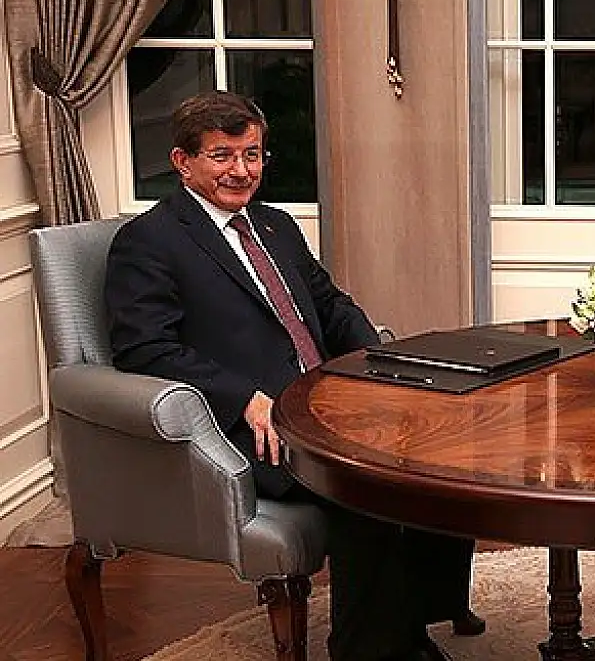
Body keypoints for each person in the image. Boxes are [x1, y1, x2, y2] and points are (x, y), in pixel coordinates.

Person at [104, 91, 483, 661]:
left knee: (444, 449)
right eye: (222, 155)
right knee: (371, 486)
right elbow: (144, 350)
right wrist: (244, 398)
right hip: (252, 427)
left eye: (252, 154)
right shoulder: (149, 241)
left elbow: (331, 305)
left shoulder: (275, 225)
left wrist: (382, 360)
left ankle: (424, 609)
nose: (241, 171)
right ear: (183, 161)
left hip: (332, 401)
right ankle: (373, 652)